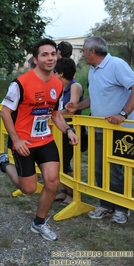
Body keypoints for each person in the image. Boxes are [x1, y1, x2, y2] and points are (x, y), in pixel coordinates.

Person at [0, 38, 79, 241]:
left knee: (52, 182)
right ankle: (4, 163)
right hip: (23, 142)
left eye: (52, 54)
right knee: (28, 188)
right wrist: (16, 140)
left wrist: (68, 131)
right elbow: (5, 113)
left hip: (45, 139)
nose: (49, 58)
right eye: (44, 55)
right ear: (35, 58)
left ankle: (38, 223)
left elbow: (55, 115)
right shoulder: (21, 83)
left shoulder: (58, 84)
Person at [66, 36, 134, 224]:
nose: (83, 55)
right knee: (98, 168)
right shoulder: (93, 71)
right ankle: (105, 205)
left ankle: (121, 208)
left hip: (119, 129)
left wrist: (123, 114)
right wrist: (78, 105)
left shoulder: (116, 65)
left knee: (115, 169)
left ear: (92, 52)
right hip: (98, 127)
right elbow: (94, 97)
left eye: (84, 51)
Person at [53, 58, 83, 205]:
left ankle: (72, 194)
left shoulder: (74, 86)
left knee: (66, 162)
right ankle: (64, 191)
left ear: (61, 73)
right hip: (61, 128)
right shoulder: (60, 87)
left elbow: (72, 109)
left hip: (72, 129)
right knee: (60, 161)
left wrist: (54, 114)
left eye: (55, 71)